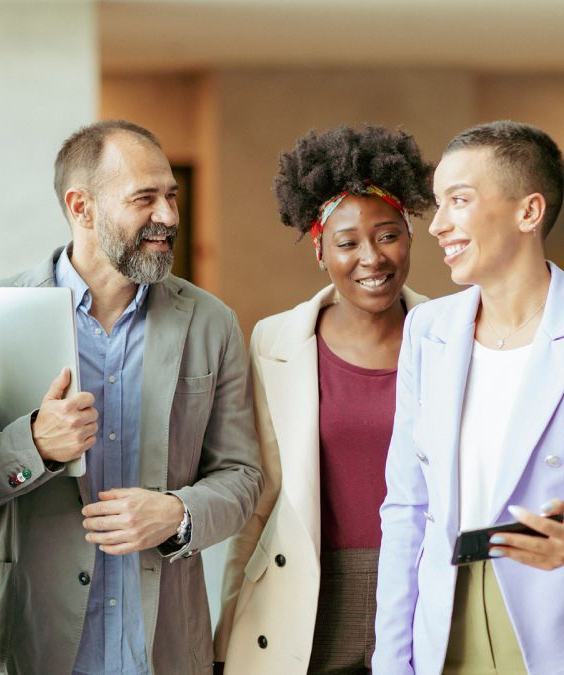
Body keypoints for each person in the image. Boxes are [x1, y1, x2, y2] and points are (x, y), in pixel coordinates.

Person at [0, 119, 262, 675]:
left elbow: (241, 474)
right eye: (145, 198)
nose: (168, 216)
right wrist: (34, 446)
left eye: (171, 196)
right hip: (34, 641)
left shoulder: (211, 324)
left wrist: (177, 514)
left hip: (163, 645)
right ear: (81, 207)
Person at [213, 125, 433, 674]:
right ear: (319, 250)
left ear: (409, 234)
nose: (371, 258)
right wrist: (226, 631)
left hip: (421, 588)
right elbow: (260, 500)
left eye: (387, 235)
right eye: (347, 242)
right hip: (304, 594)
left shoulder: (451, 337)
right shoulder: (275, 341)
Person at [375, 120, 564, 674]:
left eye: (459, 200)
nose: (436, 226)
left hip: (549, 612)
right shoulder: (428, 330)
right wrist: (392, 660)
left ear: (528, 212)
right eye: (437, 204)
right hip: (444, 617)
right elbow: (407, 506)